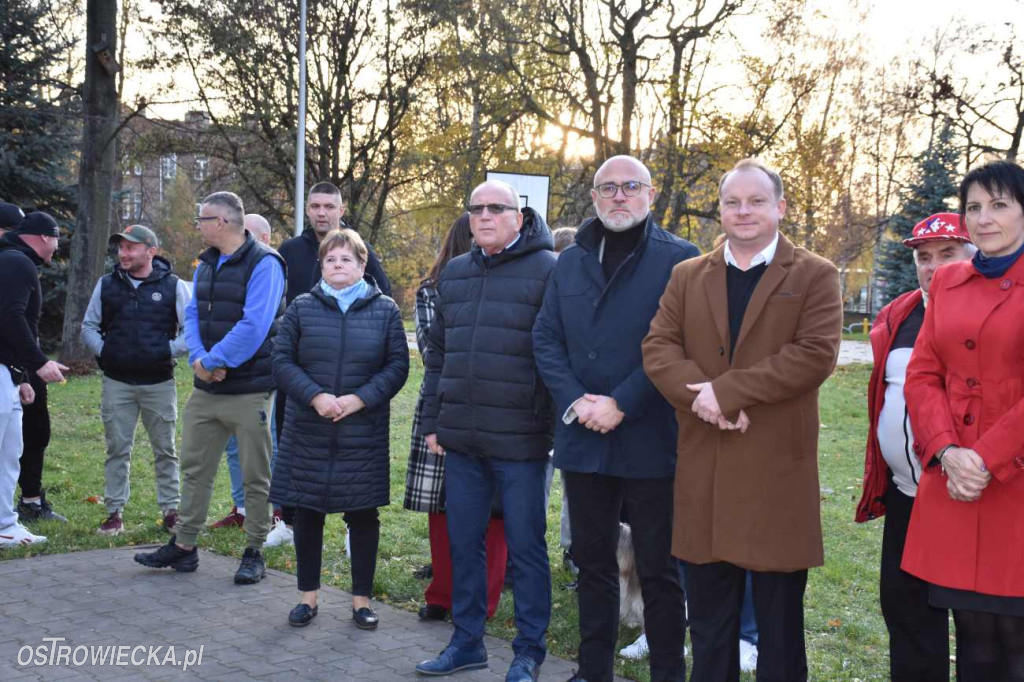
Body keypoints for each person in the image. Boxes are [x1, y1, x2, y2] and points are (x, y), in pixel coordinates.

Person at [643, 158, 843, 682]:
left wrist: (724, 394)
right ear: (720, 212)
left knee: (778, 629)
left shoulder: (815, 274)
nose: (743, 211)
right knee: (708, 624)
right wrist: (702, 399)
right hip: (705, 470)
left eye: (756, 201)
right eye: (732, 201)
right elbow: (659, 346)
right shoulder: (687, 275)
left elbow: (814, 355)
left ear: (779, 208)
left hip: (774, 473)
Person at [534, 155, 696, 682]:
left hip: (651, 438)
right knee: (593, 564)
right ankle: (592, 669)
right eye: (608, 188)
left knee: (659, 568)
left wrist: (622, 401)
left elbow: (676, 346)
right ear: (595, 197)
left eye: (631, 187)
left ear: (650, 194)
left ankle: (667, 671)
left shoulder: (682, 261)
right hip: (584, 437)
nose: (619, 197)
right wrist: (579, 400)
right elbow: (546, 339)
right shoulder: (571, 261)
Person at [415, 181, 556, 682]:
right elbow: (439, 357)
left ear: (519, 216)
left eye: (497, 208)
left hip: (522, 439)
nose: (485, 216)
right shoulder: (454, 274)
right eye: (476, 209)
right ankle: (467, 642)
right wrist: (434, 420)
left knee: (525, 547)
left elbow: (556, 354)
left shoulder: (548, 270)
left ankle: (528, 652)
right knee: (463, 543)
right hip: (464, 439)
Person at [903, 160, 1024, 680]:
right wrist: (948, 452)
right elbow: (923, 373)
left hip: (1013, 485)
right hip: (953, 483)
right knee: (971, 637)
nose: (984, 218)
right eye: (974, 207)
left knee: (1015, 640)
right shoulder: (949, 280)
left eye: (999, 204)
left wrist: (985, 457)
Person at [134, 191, 285, 584]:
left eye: (201, 219)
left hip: (250, 388)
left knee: (255, 475)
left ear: (221, 222)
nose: (197, 225)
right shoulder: (206, 263)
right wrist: (201, 362)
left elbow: (255, 325)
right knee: (195, 468)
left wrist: (214, 362)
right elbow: (193, 314)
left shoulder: (266, 264)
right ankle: (184, 546)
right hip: (207, 390)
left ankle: (254, 550)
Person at [855, 212, 974, 681]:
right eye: (925, 257)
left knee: (974, 620)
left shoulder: (989, 310)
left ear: (973, 254)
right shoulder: (899, 314)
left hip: (965, 493)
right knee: (904, 609)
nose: (933, 266)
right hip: (906, 492)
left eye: (948, 253)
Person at [269, 227, 408, 629]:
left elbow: (397, 365)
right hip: (309, 430)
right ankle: (307, 599)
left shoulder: (385, 310)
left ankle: (361, 601)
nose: (338, 265)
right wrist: (316, 397)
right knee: (308, 514)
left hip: (361, 432)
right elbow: (281, 361)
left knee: (363, 516)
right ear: (321, 265)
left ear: (362, 265)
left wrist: (358, 399)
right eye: (330, 259)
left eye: (346, 259)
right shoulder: (300, 307)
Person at [267, 182, 391, 545]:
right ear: (307, 209)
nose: (322, 213)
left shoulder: (359, 250)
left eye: (329, 206)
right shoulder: (289, 251)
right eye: (315, 206)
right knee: (294, 449)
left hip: (355, 378)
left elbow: (381, 304)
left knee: (355, 460)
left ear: (341, 209)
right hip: (304, 375)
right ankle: (287, 522)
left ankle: (355, 527)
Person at [403, 213, 509, 623]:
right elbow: (433, 353)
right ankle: (442, 594)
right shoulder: (434, 290)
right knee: (442, 507)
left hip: (497, 410)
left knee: (493, 510)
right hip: (444, 407)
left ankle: (484, 599)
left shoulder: (508, 285)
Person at [80, 224, 191, 535]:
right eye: (120, 248)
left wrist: (166, 351)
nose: (123, 253)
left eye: (130, 247)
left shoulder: (173, 286)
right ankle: (114, 512)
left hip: (159, 382)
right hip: (117, 382)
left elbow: (190, 331)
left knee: (165, 449)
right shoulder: (107, 285)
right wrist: (106, 352)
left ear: (150, 251)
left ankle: (171, 511)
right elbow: (88, 326)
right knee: (117, 449)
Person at [210, 214, 284, 544]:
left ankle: (274, 511)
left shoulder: (270, 269)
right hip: (226, 371)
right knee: (232, 443)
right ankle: (241, 507)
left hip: (260, 372)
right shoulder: (224, 270)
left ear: (265, 239)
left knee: (265, 442)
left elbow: (259, 325)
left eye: (249, 235)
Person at [0, 211, 68, 547]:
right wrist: (38, 364)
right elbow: (11, 317)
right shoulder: (16, 262)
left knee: (10, 452)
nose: (57, 247)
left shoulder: (13, 260)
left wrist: (22, 376)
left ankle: (5, 525)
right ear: (44, 237)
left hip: (10, 374)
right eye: (56, 239)